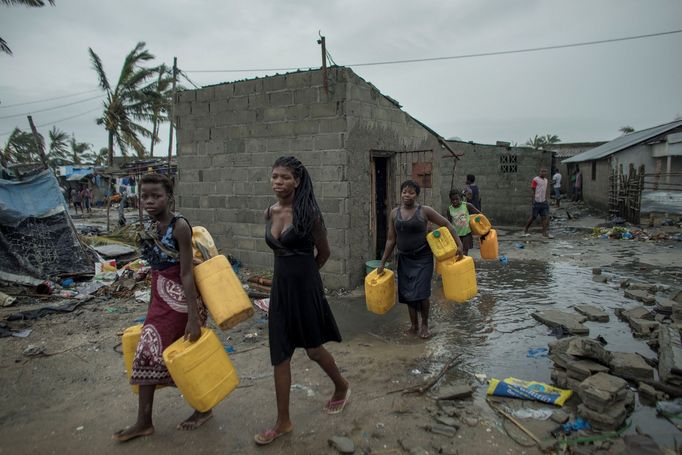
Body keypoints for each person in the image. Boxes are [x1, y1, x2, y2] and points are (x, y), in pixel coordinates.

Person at [255, 156, 349, 446]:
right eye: (274, 177)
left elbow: (324, 253)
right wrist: (283, 279)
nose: (278, 182)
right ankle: (283, 421)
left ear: (297, 180)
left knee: (312, 349)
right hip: (281, 291)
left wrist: (305, 276)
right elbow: (278, 252)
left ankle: (342, 386)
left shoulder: (310, 214)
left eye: (284, 177)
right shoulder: (270, 212)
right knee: (280, 354)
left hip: (305, 288)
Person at [113, 173, 211, 442]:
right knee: (152, 353)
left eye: (156, 195)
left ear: (169, 197)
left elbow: (187, 273)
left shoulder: (179, 226)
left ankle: (203, 408)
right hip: (160, 298)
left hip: (181, 301)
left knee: (183, 354)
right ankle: (144, 421)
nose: (150, 201)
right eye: (145, 196)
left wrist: (193, 316)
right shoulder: (150, 227)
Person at [377, 180, 464, 339]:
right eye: (404, 192)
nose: (407, 195)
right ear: (401, 193)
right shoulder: (394, 213)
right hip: (404, 259)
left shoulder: (425, 211)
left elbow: (446, 224)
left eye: (411, 192)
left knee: (422, 293)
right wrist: (382, 262)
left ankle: (424, 324)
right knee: (408, 293)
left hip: (423, 258)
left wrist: (459, 244)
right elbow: (391, 239)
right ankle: (414, 326)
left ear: (417, 195)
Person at [446, 188, 481, 256]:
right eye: (453, 200)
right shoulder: (449, 209)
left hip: (466, 233)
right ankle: (459, 265)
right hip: (456, 235)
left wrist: (480, 223)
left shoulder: (467, 205)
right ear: (450, 200)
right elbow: (449, 223)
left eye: (457, 199)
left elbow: (478, 213)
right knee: (457, 251)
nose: (455, 201)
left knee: (465, 251)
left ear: (461, 198)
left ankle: (465, 265)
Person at [523, 168, 553, 238]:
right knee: (533, 217)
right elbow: (533, 189)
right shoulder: (535, 179)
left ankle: (544, 233)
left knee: (545, 217)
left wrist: (546, 199)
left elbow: (545, 190)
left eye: (545, 172)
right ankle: (525, 230)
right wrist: (533, 200)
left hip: (544, 202)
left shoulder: (546, 180)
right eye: (542, 171)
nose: (543, 173)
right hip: (537, 201)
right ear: (540, 172)